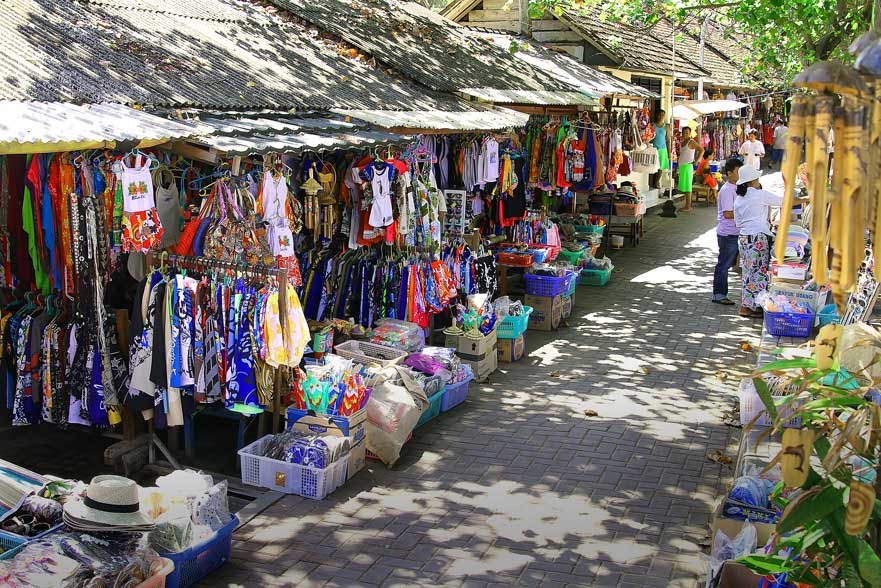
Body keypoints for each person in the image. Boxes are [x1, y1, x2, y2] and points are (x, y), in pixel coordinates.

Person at [734, 164, 782, 317]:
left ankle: (746, 305)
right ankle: (755, 306)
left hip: (744, 238)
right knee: (759, 272)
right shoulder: (758, 195)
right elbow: (783, 201)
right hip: (757, 238)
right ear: (753, 180)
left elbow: (738, 223)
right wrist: (805, 198)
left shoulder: (740, 198)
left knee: (748, 272)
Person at [712, 159, 743, 306]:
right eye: (737, 171)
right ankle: (719, 294)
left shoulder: (739, 187)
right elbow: (728, 214)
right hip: (728, 234)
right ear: (729, 173)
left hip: (735, 232)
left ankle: (720, 293)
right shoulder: (726, 190)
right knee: (723, 264)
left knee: (727, 264)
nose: (740, 173)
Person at [677, 126, 702, 211]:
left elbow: (701, 150)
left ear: (690, 133)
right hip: (682, 166)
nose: (685, 134)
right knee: (685, 187)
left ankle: (688, 206)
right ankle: (687, 205)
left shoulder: (691, 142)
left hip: (688, 166)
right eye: (683, 133)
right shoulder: (683, 142)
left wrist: (697, 160)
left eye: (687, 133)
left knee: (688, 187)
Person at [651, 109, 670, 188]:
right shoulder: (652, 125)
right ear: (656, 115)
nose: (661, 116)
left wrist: (669, 152)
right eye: (659, 115)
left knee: (660, 167)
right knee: (652, 165)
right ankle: (652, 182)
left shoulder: (666, 126)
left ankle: (656, 182)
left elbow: (668, 140)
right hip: (654, 148)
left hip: (663, 149)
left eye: (662, 115)